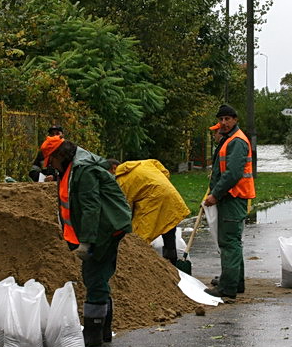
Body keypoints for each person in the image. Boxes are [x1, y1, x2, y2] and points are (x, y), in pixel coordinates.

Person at [40, 136, 132, 347]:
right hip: (106, 225)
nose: (51, 166)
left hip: (104, 228)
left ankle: (93, 333)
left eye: (51, 161)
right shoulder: (73, 168)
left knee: (94, 277)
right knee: (98, 276)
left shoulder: (83, 170)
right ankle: (104, 331)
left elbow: (91, 207)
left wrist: (87, 242)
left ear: (58, 156)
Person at [203, 104, 255, 301]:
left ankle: (227, 288)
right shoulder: (230, 140)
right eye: (221, 119)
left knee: (229, 242)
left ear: (235, 120)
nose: (223, 123)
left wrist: (215, 194)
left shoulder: (237, 141)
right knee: (233, 242)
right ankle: (235, 282)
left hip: (233, 197)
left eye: (227, 119)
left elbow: (232, 174)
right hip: (232, 197)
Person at [106, 158, 191, 272]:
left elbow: (125, 208)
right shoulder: (144, 163)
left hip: (153, 202)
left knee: (138, 238)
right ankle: (172, 266)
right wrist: (158, 184)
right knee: (169, 229)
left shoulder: (121, 181)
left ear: (114, 168)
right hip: (170, 196)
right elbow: (164, 171)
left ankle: (135, 269)